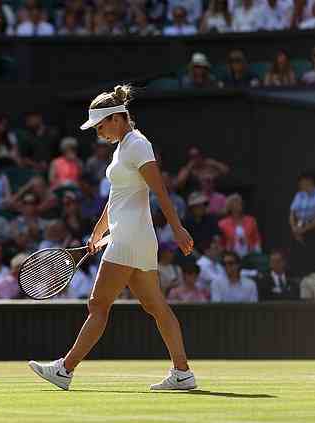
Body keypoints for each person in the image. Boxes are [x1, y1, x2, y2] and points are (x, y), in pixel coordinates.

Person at [28, 85, 197, 391]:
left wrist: (177, 227)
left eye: (100, 125)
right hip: (134, 237)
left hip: (131, 237)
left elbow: (159, 190)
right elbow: (118, 197)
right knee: (154, 304)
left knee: (98, 303)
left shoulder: (137, 145)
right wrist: (98, 230)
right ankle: (182, 372)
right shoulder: (123, 147)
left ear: (117, 118)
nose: (98, 132)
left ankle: (64, 370)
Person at [289, 170, 315, 277]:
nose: (299, 184)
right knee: (299, 259)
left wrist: (305, 229)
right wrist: (294, 228)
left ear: (309, 181)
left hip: (313, 230)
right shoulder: (299, 195)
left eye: (301, 181)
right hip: (298, 228)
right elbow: (292, 213)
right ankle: (299, 282)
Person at [218, 193, 261, 258]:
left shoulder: (251, 220)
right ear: (230, 206)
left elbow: (257, 239)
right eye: (236, 202)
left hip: (249, 255)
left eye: (240, 202)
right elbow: (221, 243)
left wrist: (257, 254)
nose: (240, 204)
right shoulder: (222, 223)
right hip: (231, 257)